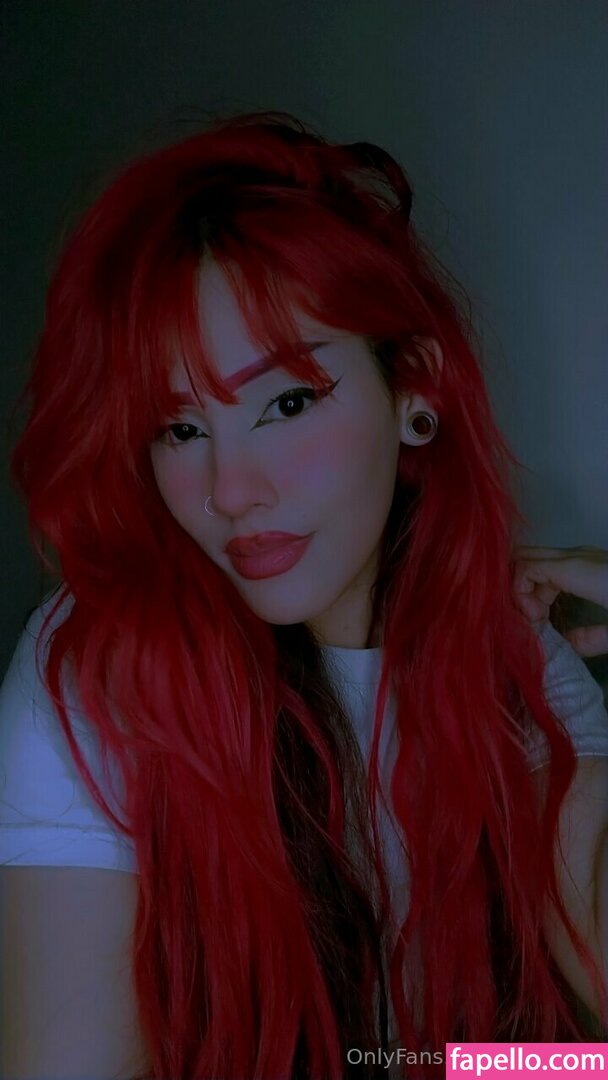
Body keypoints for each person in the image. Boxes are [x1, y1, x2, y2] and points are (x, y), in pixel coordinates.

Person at [1, 110, 607, 1080]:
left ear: (413, 391)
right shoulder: (96, 669)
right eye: (179, 429)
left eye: (285, 403)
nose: (233, 491)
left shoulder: (513, 650)